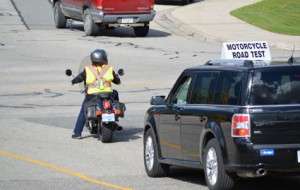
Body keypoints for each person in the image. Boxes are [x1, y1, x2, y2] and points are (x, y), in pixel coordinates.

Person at [71, 49, 121, 139]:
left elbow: (80, 78)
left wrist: (74, 80)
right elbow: (117, 81)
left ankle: (77, 133)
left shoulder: (88, 69)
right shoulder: (109, 69)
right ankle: (115, 118)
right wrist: (117, 79)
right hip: (108, 94)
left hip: (92, 96)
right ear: (104, 58)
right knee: (115, 95)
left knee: (83, 111)